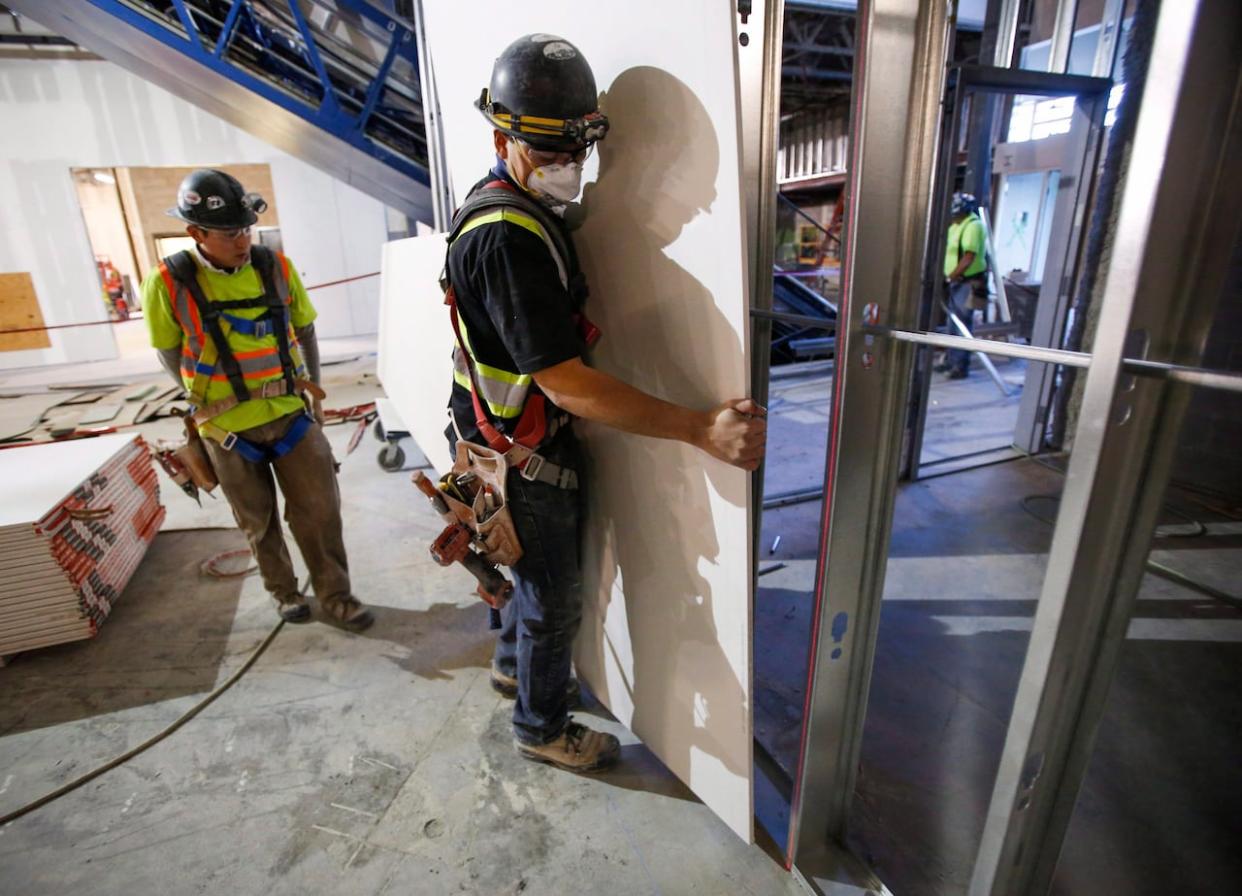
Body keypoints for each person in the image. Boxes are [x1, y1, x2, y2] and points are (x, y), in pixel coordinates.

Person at [444, 34, 766, 773]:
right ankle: (541, 726)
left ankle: (510, 665)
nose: (568, 168)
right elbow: (567, 382)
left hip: (493, 437)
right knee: (554, 597)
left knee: (523, 575)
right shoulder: (507, 237)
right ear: (503, 138)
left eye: (577, 152)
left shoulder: (507, 203)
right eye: (551, 153)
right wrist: (697, 429)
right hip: (521, 452)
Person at [141, 168, 373, 632]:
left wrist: (314, 396)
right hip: (226, 429)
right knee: (257, 520)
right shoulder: (167, 282)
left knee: (320, 513)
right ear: (195, 232)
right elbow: (169, 350)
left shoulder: (275, 268)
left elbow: (304, 330)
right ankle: (285, 594)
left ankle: (337, 598)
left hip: (289, 414)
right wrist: (203, 403)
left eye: (244, 229)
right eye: (228, 233)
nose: (241, 240)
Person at [937, 191, 990, 379]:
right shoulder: (956, 225)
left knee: (962, 324)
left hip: (967, 282)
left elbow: (969, 256)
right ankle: (951, 362)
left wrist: (952, 276)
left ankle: (960, 366)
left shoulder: (973, 226)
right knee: (952, 323)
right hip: (956, 282)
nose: (954, 217)